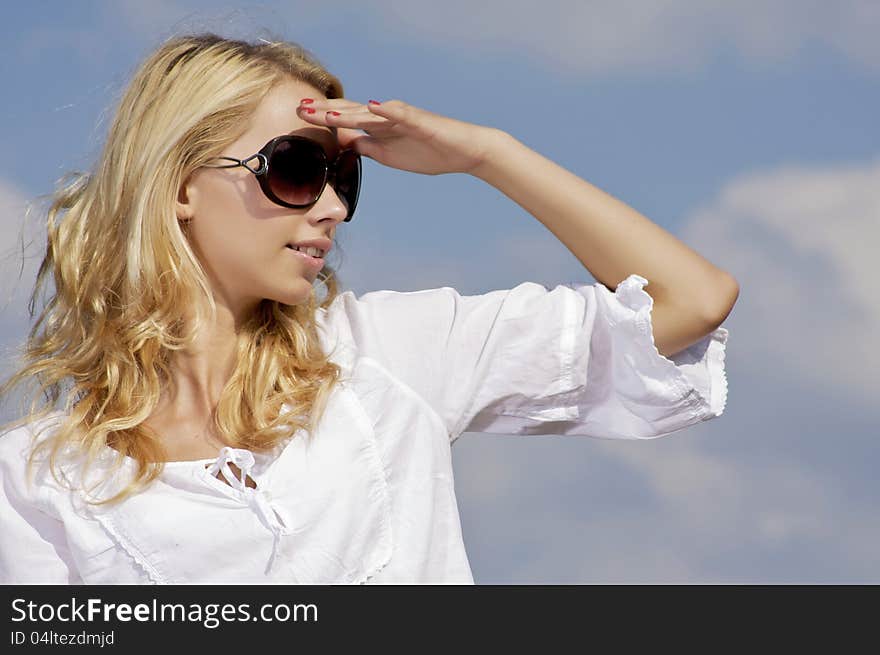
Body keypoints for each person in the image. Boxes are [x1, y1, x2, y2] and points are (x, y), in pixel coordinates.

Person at [0, 32, 736, 584]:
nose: (330, 207)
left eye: (341, 175)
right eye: (295, 167)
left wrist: (486, 153)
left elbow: (693, 300)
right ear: (180, 185)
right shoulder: (37, 478)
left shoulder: (386, 351)